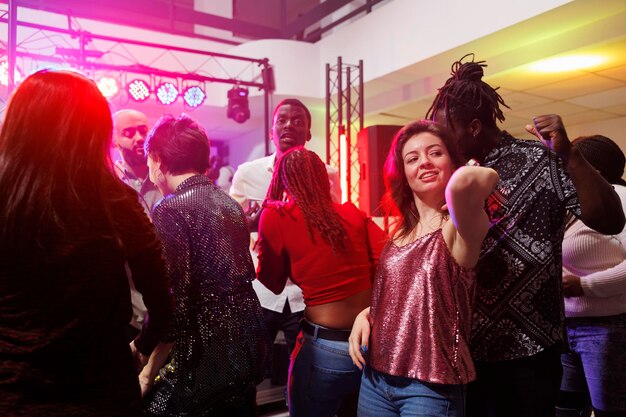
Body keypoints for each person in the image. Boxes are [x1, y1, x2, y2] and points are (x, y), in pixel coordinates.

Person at [425, 54, 626, 417]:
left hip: (529, 348)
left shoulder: (541, 159)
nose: (441, 139)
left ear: (472, 127)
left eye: (445, 129)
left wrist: (571, 154)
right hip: (467, 346)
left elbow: (610, 220)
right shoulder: (453, 174)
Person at [0, 69, 173, 416]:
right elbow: (164, 302)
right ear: (96, 132)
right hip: (100, 390)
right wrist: (141, 347)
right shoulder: (115, 199)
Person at [348, 120, 498, 416]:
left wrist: (463, 170)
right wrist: (365, 314)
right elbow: (404, 295)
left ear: (452, 161)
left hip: (430, 388)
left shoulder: (460, 226)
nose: (425, 163)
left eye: (436, 153)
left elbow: (478, 178)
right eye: (412, 158)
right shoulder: (401, 231)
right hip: (375, 379)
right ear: (403, 173)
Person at [138, 114, 271, 416]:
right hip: (245, 342)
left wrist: (147, 367)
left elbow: (177, 302)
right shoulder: (228, 204)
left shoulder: (170, 208)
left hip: (203, 351)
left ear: (158, 160)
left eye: (149, 162)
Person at [256, 147, 387, 417]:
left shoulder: (277, 216)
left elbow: (273, 283)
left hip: (325, 348)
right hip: (370, 343)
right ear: (322, 177)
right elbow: (386, 259)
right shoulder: (352, 213)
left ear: (283, 181)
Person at [230, 98, 340, 356]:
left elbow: (334, 224)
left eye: (298, 121)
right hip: (261, 291)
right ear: (272, 132)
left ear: (308, 133)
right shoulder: (247, 173)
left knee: (304, 370)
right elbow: (232, 229)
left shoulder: (327, 174)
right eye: (282, 121)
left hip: (307, 294)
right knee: (249, 366)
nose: (289, 125)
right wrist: (251, 226)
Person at [556, 135, 626, 417]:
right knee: (565, 410)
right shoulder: (572, 202)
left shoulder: (620, 199)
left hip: (606, 328)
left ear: (593, 169)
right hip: (565, 327)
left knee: (609, 410)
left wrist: (586, 285)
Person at [113, 109, 163, 342]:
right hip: (123, 305)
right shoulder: (107, 180)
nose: (139, 138)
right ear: (114, 140)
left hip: (164, 300)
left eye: (143, 130)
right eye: (128, 133)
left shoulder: (166, 177)